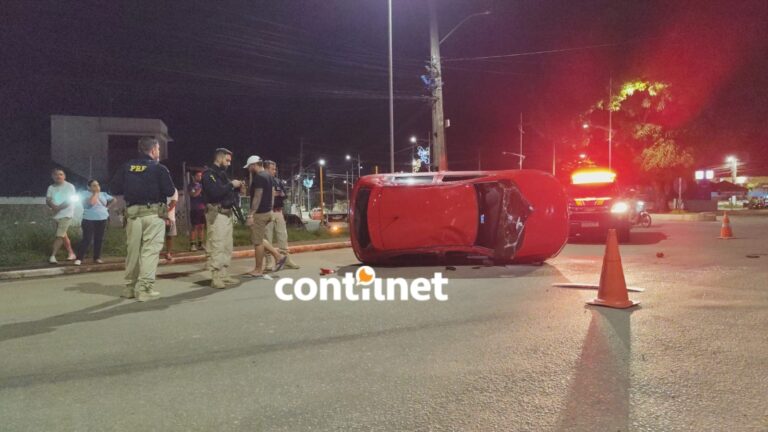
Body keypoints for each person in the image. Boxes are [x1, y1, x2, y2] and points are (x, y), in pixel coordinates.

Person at [110, 136, 176, 301]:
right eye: (158, 149)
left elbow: (114, 188)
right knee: (150, 251)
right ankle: (145, 288)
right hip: (153, 215)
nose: (159, 153)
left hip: (133, 215)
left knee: (132, 252)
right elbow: (169, 191)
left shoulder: (127, 167)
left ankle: (130, 288)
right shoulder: (159, 168)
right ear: (153, 150)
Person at [202, 148, 243, 289]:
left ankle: (224, 273)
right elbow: (215, 192)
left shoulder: (222, 174)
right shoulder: (209, 174)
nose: (229, 163)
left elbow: (226, 190)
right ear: (219, 158)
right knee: (217, 245)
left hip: (227, 213)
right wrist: (231, 185)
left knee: (227, 245)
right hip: (217, 213)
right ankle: (216, 276)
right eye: (227, 160)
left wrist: (236, 187)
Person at [244, 156, 286, 280]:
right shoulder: (269, 177)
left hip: (260, 213)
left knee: (257, 242)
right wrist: (270, 209)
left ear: (253, 165)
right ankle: (278, 256)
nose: (249, 169)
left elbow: (257, 196)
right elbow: (272, 194)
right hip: (268, 211)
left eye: (249, 167)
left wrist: (251, 214)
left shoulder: (259, 178)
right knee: (260, 238)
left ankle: (258, 269)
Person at [263, 161, 299, 271]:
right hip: (267, 211)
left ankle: (286, 259)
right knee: (267, 237)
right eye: (272, 169)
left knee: (283, 236)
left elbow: (284, 194)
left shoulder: (278, 181)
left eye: (275, 169)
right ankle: (269, 263)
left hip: (278, 212)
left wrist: (278, 194)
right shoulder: (262, 180)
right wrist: (272, 194)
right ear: (265, 169)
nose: (274, 171)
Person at [74, 179, 114, 266]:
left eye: (98, 185)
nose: (97, 187)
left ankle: (97, 257)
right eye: (94, 185)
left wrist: (107, 207)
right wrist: (95, 193)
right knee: (87, 239)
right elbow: (91, 203)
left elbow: (114, 200)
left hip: (102, 218)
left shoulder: (103, 194)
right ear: (88, 187)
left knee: (99, 239)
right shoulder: (84, 194)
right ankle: (79, 258)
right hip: (89, 219)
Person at [46, 168, 77, 264]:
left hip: (66, 214)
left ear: (64, 176)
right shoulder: (51, 187)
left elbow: (70, 200)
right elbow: (48, 199)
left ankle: (53, 256)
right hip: (55, 215)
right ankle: (71, 253)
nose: (58, 176)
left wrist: (57, 208)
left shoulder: (70, 186)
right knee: (64, 235)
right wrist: (53, 207)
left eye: (60, 174)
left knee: (59, 235)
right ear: (52, 176)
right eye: (56, 174)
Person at [188, 170, 206, 251]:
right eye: (198, 176)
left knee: (202, 226)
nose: (200, 177)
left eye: (201, 176)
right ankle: (192, 245)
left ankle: (201, 244)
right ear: (194, 177)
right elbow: (193, 194)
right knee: (194, 227)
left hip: (202, 208)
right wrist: (200, 189)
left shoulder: (202, 185)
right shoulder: (191, 185)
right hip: (195, 208)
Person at [163, 188, 179, 261]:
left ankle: (168, 253)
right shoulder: (158, 187)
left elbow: (173, 202)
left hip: (170, 216)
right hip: (158, 217)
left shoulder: (173, 189)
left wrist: (164, 212)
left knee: (169, 235)